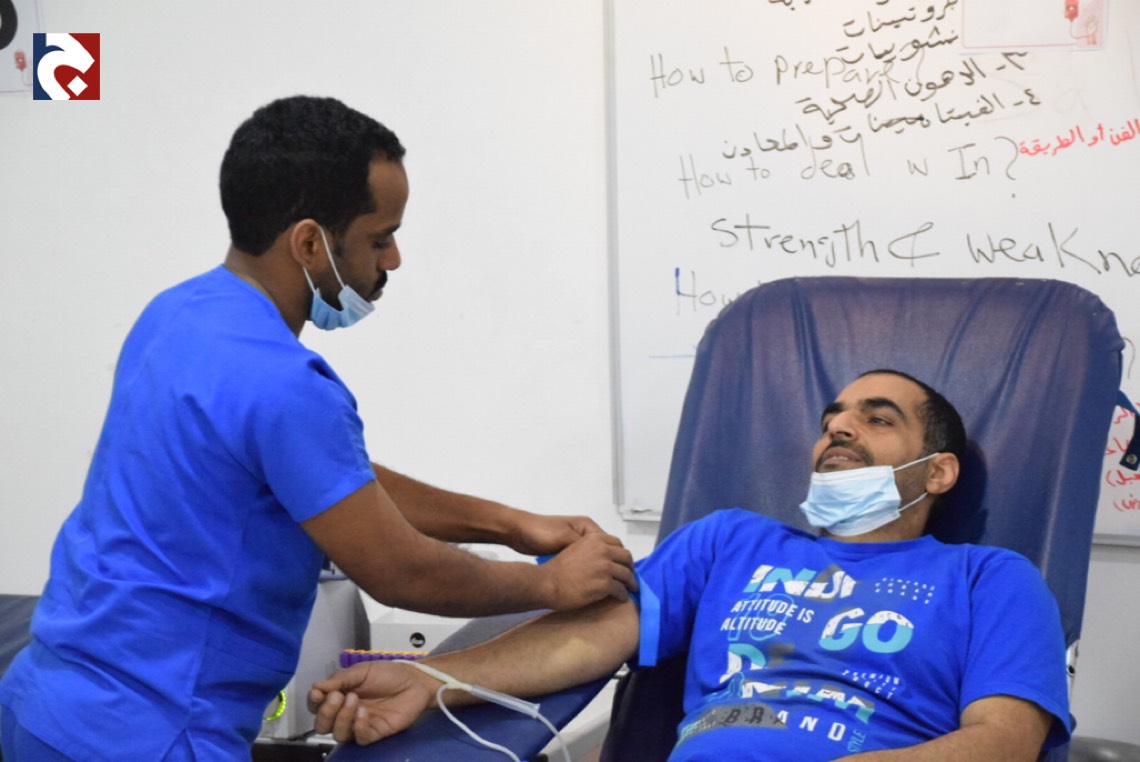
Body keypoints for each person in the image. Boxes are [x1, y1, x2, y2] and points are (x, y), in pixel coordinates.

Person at [0, 95, 636, 762]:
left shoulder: (178, 315)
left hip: (44, 702)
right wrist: (551, 585)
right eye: (380, 237)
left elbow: (327, 477)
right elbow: (401, 572)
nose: (393, 259)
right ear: (309, 242)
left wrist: (510, 525)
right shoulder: (285, 383)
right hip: (151, 733)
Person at [308, 369, 1073, 761]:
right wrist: (429, 680)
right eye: (832, 418)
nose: (839, 428)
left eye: (877, 419)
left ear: (938, 472)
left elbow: (1004, 743)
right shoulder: (731, 543)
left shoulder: (993, 580)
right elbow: (588, 635)